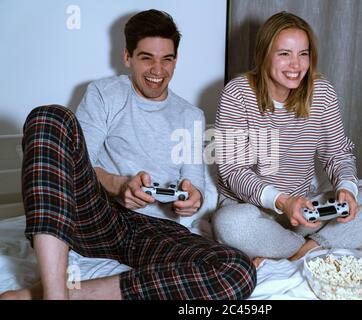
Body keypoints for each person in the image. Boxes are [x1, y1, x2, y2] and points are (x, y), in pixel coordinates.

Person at [0, 9, 256, 300]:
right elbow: (74, 164)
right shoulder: (104, 93)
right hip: (99, 217)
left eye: (167, 59)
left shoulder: (191, 116)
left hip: (156, 230)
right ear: (128, 57)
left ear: (176, 60)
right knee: (48, 117)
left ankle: (70, 294)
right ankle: (54, 294)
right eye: (147, 58)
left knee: (236, 270)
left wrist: (191, 200)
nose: (158, 70)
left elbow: (193, 187)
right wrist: (119, 185)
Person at [212, 11, 362, 267]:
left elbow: (338, 153)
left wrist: (346, 188)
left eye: (303, 54)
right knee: (230, 224)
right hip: (252, 210)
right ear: (264, 54)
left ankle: (305, 249)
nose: (296, 65)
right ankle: (323, 244)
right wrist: (283, 202)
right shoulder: (237, 94)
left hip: (303, 210)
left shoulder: (322, 91)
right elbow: (233, 171)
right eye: (284, 54)